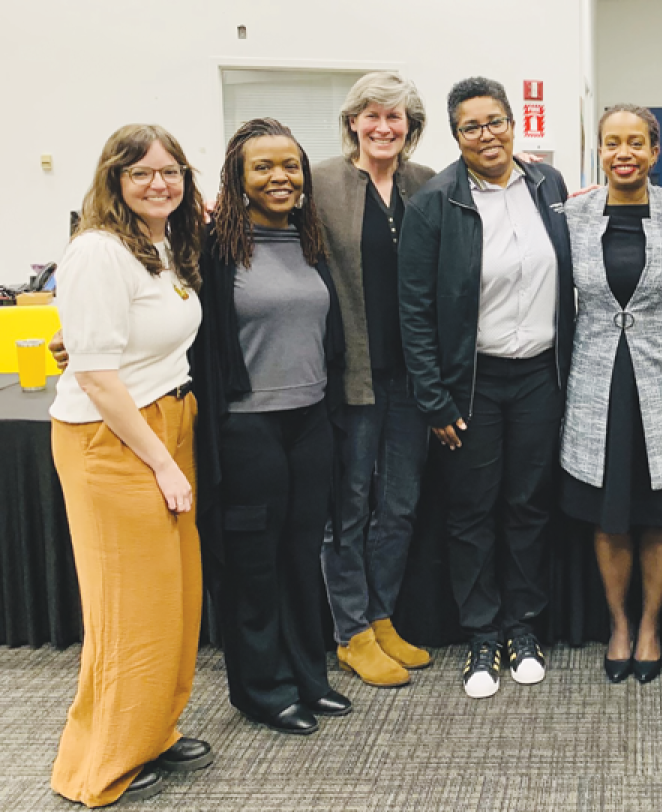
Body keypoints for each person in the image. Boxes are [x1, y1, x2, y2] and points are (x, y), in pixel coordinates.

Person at [49, 124, 212, 806]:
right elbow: (96, 376)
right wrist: (163, 467)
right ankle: (98, 767)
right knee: (126, 610)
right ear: (114, 179)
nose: (159, 184)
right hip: (114, 441)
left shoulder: (160, 244)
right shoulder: (96, 251)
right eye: (141, 173)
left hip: (166, 422)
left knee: (172, 602)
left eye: (170, 171)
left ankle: (153, 731)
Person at [398, 77, 574, 700]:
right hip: (471, 382)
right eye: (471, 126)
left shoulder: (547, 185)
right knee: (472, 510)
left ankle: (521, 626)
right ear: (456, 136)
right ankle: (480, 631)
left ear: (512, 123)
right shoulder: (434, 203)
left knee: (528, 502)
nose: (487, 135)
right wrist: (433, 398)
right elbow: (414, 312)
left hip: (539, 375)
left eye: (495, 121)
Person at [193, 117, 350, 735]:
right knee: (253, 564)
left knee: (301, 555)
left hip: (309, 420)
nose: (280, 176)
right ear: (239, 176)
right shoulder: (212, 250)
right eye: (263, 166)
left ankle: (309, 677)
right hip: (245, 427)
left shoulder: (309, 242)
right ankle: (262, 689)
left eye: (290, 165)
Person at [560, 105, 662, 685]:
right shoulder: (572, 214)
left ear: (654, 152)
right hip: (597, 382)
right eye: (612, 142)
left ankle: (651, 626)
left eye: (635, 143)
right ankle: (618, 623)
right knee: (609, 512)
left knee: (661, 513)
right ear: (599, 150)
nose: (624, 152)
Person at [313, 71, 436, 689]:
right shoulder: (320, 185)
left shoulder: (426, 184)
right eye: (372, 116)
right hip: (351, 376)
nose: (384, 127)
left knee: (401, 506)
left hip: (412, 378)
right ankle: (350, 632)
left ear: (410, 127)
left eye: (396, 118)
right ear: (353, 122)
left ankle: (382, 616)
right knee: (349, 507)